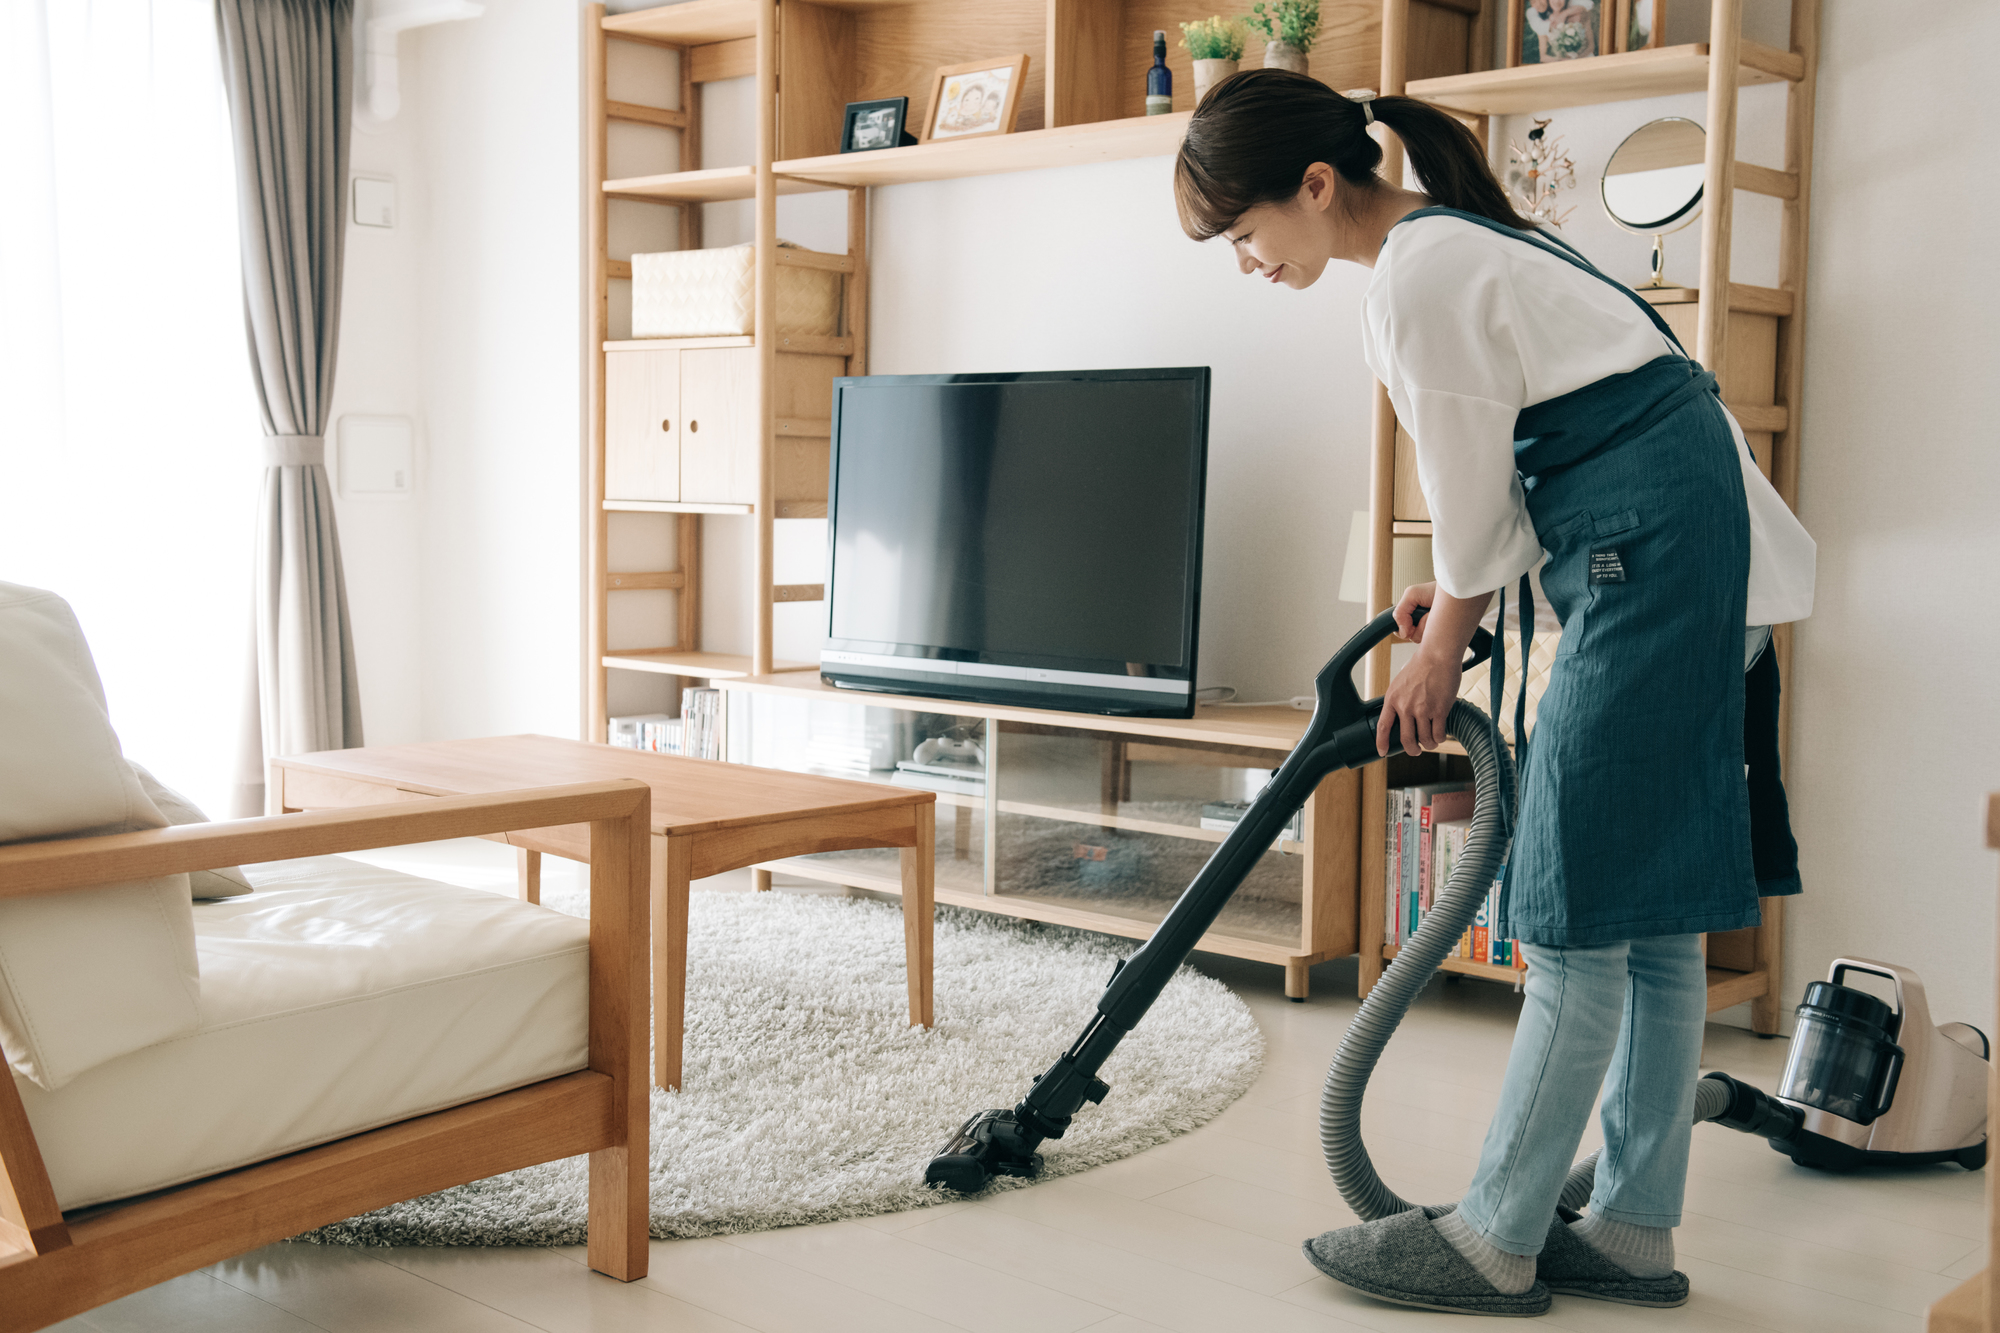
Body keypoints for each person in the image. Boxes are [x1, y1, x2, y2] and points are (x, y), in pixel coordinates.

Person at [1174, 70, 1813, 1317]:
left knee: (1572, 912)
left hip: (1652, 552)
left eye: (1244, 234)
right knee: (1654, 917)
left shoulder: (1414, 275)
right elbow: (1505, 485)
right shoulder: (1459, 244)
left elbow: (1475, 504)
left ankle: (1492, 1238)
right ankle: (1628, 1229)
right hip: (1694, 546)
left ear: (1315, 187)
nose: (1245, 262)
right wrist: (1444, 596)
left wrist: (1436, 642)